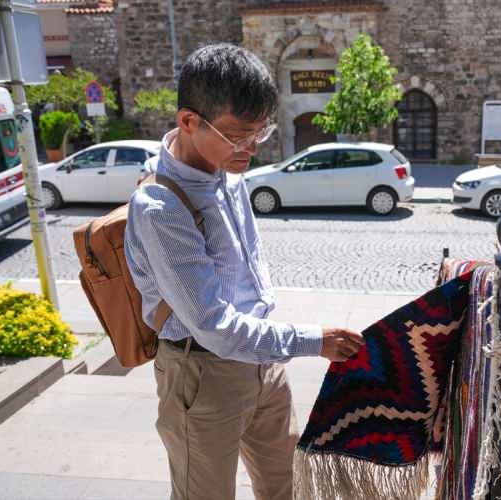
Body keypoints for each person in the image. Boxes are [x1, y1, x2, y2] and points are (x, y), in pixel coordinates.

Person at [124, 44, 364, 500]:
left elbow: (251, 268)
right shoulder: (160, 206)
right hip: (201, 371)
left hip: (264, 360)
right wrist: (313, 340)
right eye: (238, 134)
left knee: (287, 487)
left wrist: (273, 345)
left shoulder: (231, 173)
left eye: (261, 132)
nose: (251, 148)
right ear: (189, 122)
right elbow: (213, 325)